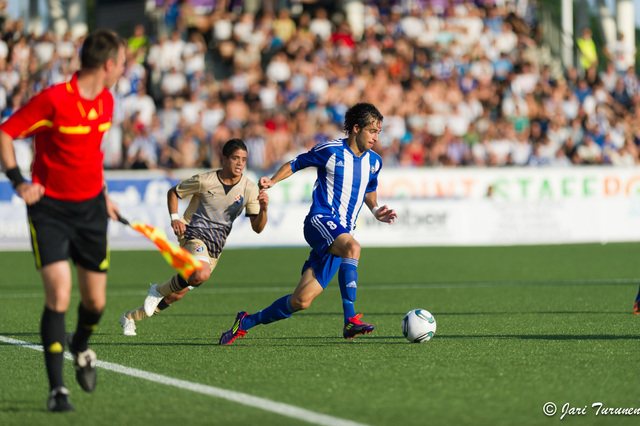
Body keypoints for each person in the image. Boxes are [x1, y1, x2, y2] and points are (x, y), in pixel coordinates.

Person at [0, 29, 125, 412]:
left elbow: (90, 155)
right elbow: (5, 133)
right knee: (59, 293)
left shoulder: (106, 101)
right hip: (50, 210)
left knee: (95, 301)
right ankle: (58, 390)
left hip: (90, 209)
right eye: (121, 62)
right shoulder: (53, 100)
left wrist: (103, 196)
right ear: (108, 65)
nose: (123, 69)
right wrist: (19, 181)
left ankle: (81, 344)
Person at [218, 102, 397, 345]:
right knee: (353, 248)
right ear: (356, 128)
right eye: (372, 131)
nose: (376, 137)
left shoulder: (374, 162)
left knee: (301, 301)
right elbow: (296, 163)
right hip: (320, 220)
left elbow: (369, 190)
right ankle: (350, 319)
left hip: (341, 236)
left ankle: (245, 322)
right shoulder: (331, 150)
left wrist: (376, 210)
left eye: (379, 132)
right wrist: (272, 181)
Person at [120, 138, 269, 335]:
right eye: (235, 158)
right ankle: (157, 290)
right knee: (201, 273)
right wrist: (175, 218)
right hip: (192, 233)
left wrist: (264, 209)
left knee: (177, 294)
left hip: (215, 246)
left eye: (244, 159)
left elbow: (257, 228)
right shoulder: (205, 180)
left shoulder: (249, 188)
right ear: (224, 159)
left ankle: (131, 317)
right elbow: (173, 192)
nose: (240, 163)